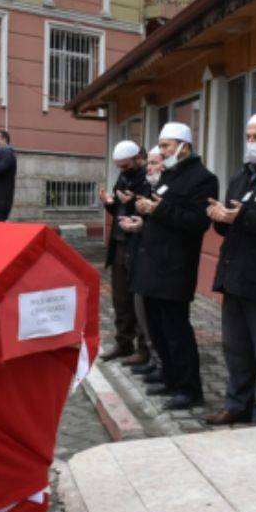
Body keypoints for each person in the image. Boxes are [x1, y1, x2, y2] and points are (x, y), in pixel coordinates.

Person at [125, 123, 218, 411]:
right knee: (157, 329)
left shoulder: (203, 179)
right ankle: (169, 378)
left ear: (184, 147)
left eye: (166, 146)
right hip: (152, 264)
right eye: (161, 146)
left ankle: (189, 389)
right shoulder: (168, 176)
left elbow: (197, 222)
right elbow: (162, 216)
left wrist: (157, 210)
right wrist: (144, 219)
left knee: (176, 331)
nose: (162, 152)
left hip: (175, 266)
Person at [202, 114, 256, 427]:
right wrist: (219, 218)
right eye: (248, 136)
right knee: (235, 347)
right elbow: (230, 226)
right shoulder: (239, 178)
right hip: (233, 275)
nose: (251, 142)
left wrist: (239, 217)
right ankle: (237, 404)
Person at [99, 141, 152, 363]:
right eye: (119, 166)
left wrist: (132, 203)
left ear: (138, 158)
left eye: (125, 165)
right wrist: (109, 203)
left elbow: (147, 212)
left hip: (138, 245)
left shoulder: (149, 178)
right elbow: (118, 209)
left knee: (137, 300)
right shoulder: (123, 177)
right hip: (120, 244)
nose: (121, 170)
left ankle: (143, 348)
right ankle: (123, 343)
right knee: (120, 298)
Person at [126, 147, 165, 375]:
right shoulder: (151, 187)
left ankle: (161, 364)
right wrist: (139, 222)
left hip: (162, 265)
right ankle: (154, 359)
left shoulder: (163, 189)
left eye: (154, 163)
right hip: (142, 256)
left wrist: (148, 216)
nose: (149, 168)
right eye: (148, 163)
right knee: (142, 314)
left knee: (159, 320)